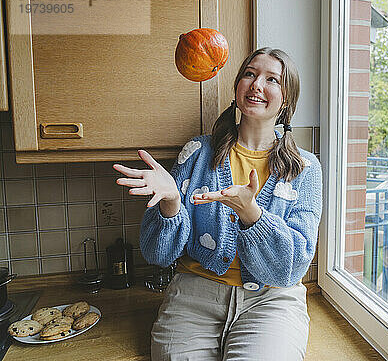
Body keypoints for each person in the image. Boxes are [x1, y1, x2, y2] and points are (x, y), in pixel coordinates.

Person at [113, 47, 323, 361]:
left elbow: (288, 271)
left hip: (271, 302)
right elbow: (158, 255)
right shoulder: (197, 153)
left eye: (272, 80)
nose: (256, 85)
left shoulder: (304, 169)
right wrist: (170, 203)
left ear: (287, 99)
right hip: (194, 295)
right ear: (237, 86)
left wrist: (251, 213)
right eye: (249, 74)